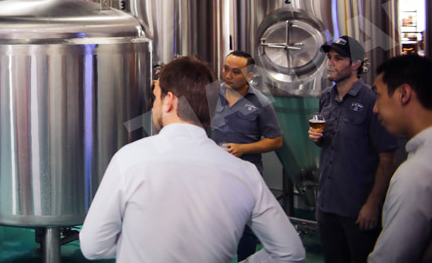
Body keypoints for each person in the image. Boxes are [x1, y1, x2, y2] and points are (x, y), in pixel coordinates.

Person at [80, 56, 305, 263]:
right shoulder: (246, 174)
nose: (154, 105)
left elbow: (93, 246)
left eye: (156, 97)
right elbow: (290, 251)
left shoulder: (129, 159)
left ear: (169, 101)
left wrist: (136, 246)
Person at [308, 36, 398, 263]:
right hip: (327, 204)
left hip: (357, 208)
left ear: (356, 63)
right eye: (329, 58)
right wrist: (317, 138)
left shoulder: (371, 101)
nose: (330, 63)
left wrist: (372, 204)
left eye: (338, 59)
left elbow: (387, 157)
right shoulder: (326, 98)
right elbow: (330, 142)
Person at [212, 50, 284, 261]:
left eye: (236, 72)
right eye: (226, 69)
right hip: (215, 173)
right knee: (214, 224)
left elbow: (276, 140)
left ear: (250, 76)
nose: (228, 75)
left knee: (246, 228)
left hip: (245, 174)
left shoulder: (261, 103)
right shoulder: (211, 95)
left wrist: (243, 148)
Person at [368, 55, 432, 262]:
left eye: (378, 95)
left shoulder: (415, 174)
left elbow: (390, 258)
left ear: (403, 93)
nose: (375, 108)